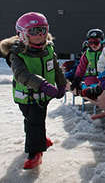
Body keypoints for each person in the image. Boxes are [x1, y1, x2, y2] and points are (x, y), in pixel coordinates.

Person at [0, 12, 66, 169]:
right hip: (26, 96)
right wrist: (43, 85)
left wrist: (61, 84)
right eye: (34, 31)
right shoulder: (17, 54)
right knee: (32, 121)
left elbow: (56, 69)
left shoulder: (48, 49)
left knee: (35, 121)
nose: (40, 35)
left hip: (43, 97)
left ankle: (35, 151)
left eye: (43, 30)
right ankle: (37, 145)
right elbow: (21, 74)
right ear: (22, 34)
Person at [70, 29, 105, 100]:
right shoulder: (87, 54)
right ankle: (84, 88)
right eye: (90, 43)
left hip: (103, 80)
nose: (93, 45)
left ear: (102, 41)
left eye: (96, 42)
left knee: (101, 89)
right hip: (90, 81)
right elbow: (81, 68)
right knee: (88, 90)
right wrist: (77, 79)